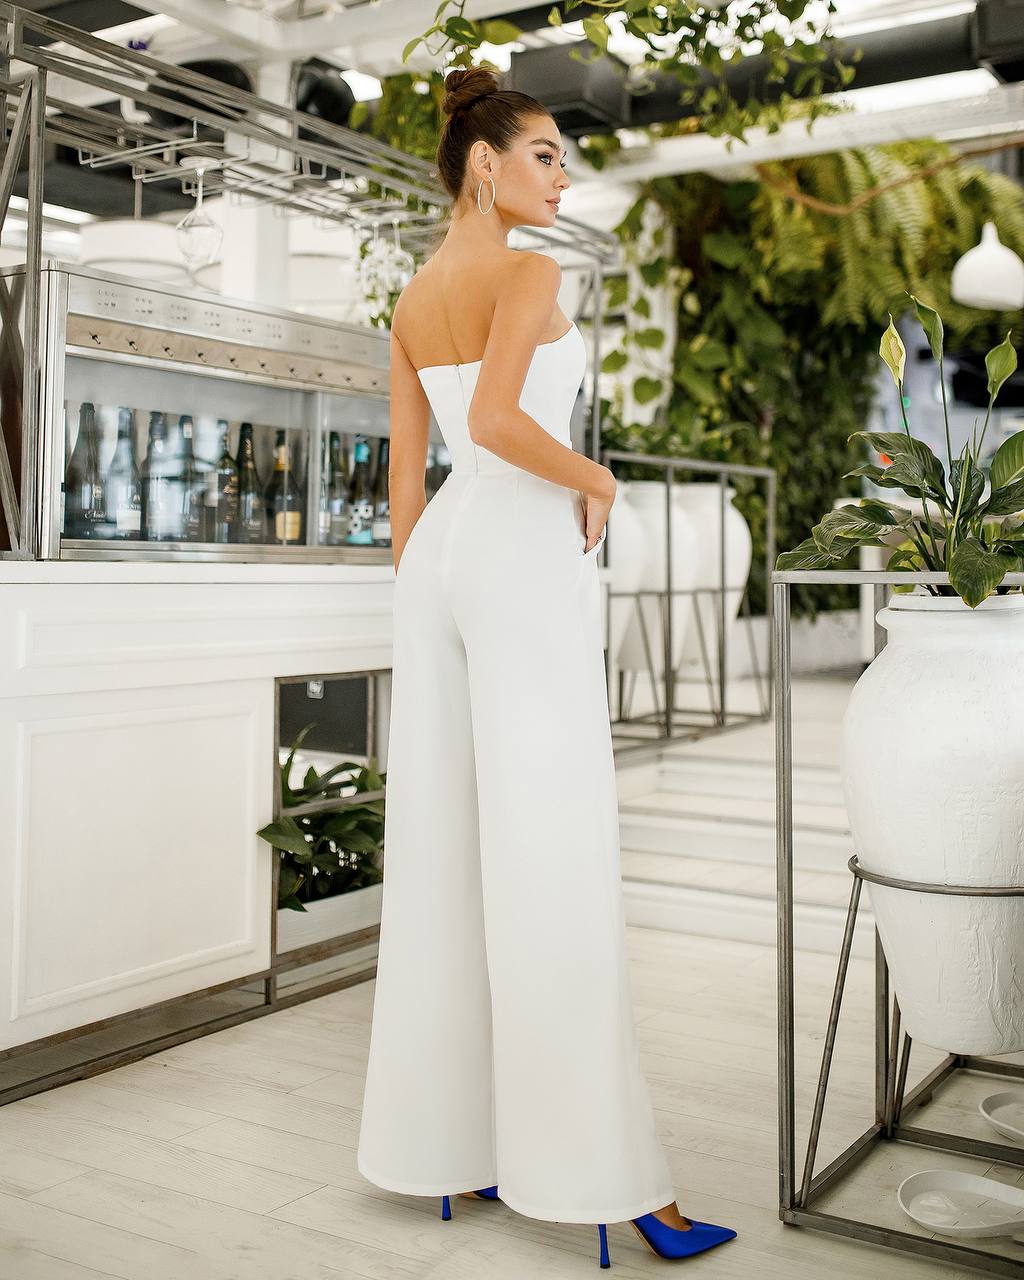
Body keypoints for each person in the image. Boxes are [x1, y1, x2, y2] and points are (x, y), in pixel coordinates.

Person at [355, 65, 737, 1268]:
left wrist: (430, 590)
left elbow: (408, 479)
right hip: (517, 558)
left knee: (445, 856)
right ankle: (612, 1186)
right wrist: (603, 479)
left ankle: (445, 1151)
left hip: (440, 569)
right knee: (555, 859)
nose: (563, 176)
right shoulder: (528, 272)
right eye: (546, 155)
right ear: (486, 161)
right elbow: (510, 428)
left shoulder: (417, 295)